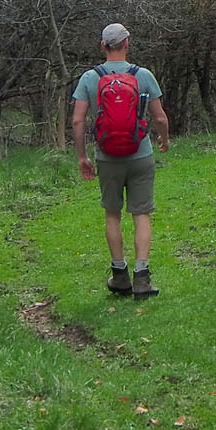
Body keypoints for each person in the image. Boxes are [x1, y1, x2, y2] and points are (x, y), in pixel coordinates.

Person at [71, 22, 171, 299]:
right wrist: (164, 139)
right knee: (141, 213)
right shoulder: (144, 76)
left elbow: (78, 120)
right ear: (127, 44)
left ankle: (120, 276)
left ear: (103, 46)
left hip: (107, 157)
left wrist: (82, 156)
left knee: (112, 213)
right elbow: (160, 117)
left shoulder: (90, 78)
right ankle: (142, 277)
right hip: (140, 155)